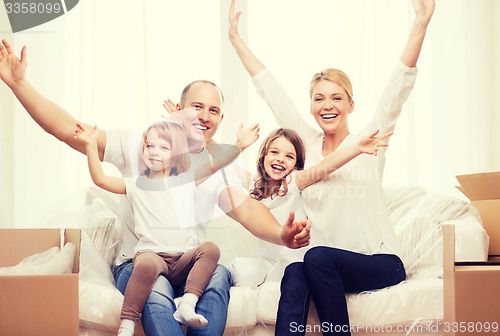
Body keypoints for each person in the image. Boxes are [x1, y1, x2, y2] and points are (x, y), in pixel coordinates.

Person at [0, 39, 311, 336]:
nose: (204, 116)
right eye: (196, 107)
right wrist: (19, 84)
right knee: (156, 289)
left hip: (186, 263)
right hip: (141, 262)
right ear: (179, 108)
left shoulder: (214, 168)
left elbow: (248, 211)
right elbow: (69, 130)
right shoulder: (143, 145)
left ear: (220, 118)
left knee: (217, 276)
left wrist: (283, 235)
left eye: (213, 111)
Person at [228, 0, 435, 334]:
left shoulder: (370, 141)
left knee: (315, 257)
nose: (327, 105)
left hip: (379, 262)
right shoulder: (305, 148)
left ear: (351, 104)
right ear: (310, 106)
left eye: (337, 98)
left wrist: (421, 23)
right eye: (319, 98)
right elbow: (271, 91)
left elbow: (398, 88)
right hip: (322, 264)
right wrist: (236, 39)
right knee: (297, 269)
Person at [73, 114, 258, 335]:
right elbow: (101, 179)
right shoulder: (135, 184)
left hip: (182, 260)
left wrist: (240, 145)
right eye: (149, 146)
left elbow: (215, 164)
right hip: (151, 256)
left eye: (163, 148)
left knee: (210, 249)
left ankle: (187, 304)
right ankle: (128, 321)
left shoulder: (186, 180)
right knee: (146, 265)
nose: (153, 152)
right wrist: (91, 145)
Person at [247, 127, 391, 282]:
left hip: (292, 261)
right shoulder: (253, 184)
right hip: (267, 262)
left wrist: (357, 148)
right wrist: (240, 145)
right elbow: (225, 172)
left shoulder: (292, 182)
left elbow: (324, 166)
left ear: (296, 165)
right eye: (274, 152)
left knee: (289, 272)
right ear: (263, 155)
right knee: (239, 271)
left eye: (289, 156)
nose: (281, 159)